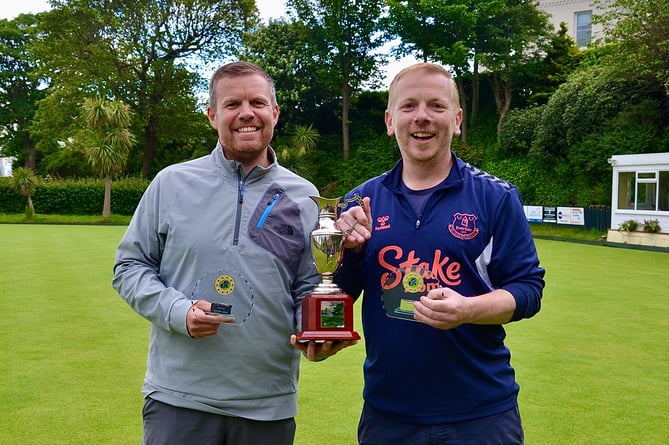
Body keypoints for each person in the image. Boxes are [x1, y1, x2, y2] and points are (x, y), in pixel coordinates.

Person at [323, 62, 545, 444]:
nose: (422, 117)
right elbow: (337, 293)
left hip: (482, 414)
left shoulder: (496, 197)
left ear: (456, 120)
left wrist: (467, 310)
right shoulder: (360, 201)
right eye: (408, 106)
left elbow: (528, 290)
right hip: (389, 415)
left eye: (436, 106)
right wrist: (353, 253)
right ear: (390, 121)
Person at [112, 61, 323, 445]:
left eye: (258, 102)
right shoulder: (172, 183)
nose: (247, 113)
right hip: (180, 400)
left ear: (274, 112)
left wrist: (313, 331)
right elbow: (129, 266)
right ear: (212, 115)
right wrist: (178, 311)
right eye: (232, 104)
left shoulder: (304, 196)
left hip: (268, 404)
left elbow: (308, 284)